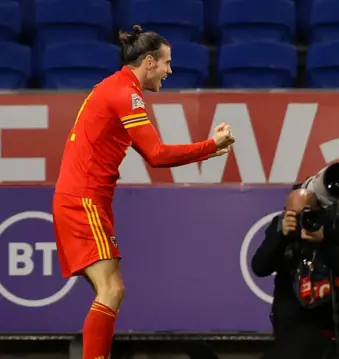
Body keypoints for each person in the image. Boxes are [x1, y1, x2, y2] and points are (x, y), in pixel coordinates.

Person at [52, 25, 235, 359]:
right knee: (112, 289)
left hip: (86, 198)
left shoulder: (115, 87)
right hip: (84, 199)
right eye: (166, 63)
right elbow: (157, 155)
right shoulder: (127, 93)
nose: (170, 70)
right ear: (149, 62)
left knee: (108, 291)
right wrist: (211, 145)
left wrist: (208, 150)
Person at [251, 188, 339, 359]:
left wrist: (324, 243)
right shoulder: (279, 226)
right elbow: (259, 268)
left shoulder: (338, 226)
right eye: (294, 214)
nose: (301, 219)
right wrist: (281, 238)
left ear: (320, 212)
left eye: (307, 214)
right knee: (297, 330)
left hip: (330, 303)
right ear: (285, 213)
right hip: (294, 306)